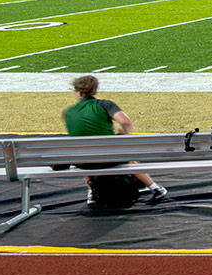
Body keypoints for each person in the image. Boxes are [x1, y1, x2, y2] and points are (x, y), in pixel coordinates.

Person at [63, 75, 167, 205]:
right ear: (94, 90)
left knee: (83, 151)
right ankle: (155, 188)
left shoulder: (68, 113)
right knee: (129, 158)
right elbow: (125, 121)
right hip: (108, 157)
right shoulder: (104, 104)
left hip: (84, 162)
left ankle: (92, 192)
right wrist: (127, 137)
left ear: (78, 92)